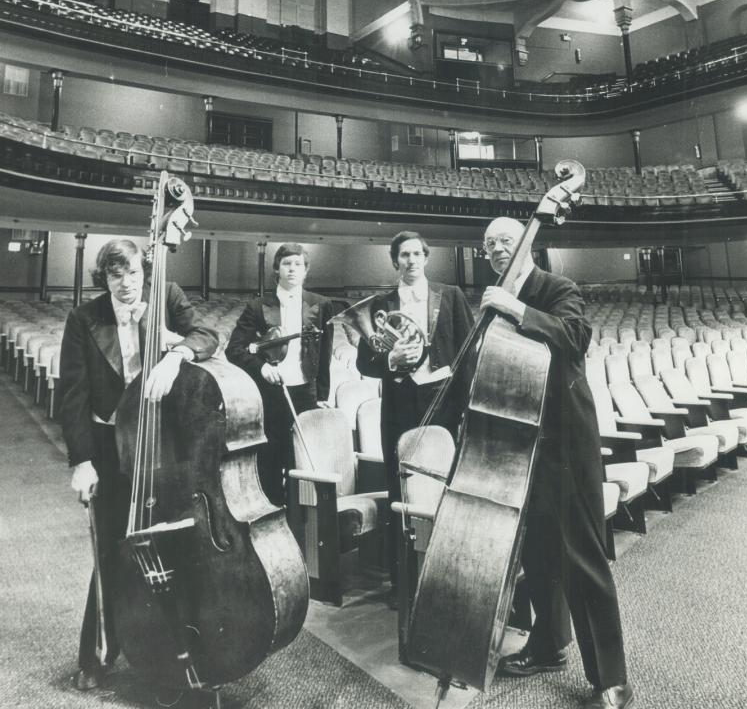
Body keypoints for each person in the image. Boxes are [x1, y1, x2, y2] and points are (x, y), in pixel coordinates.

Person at [481, 217, 634, 709]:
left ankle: (612, 678)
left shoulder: (555, 287)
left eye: (505, 239)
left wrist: (515, 307)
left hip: (565, 443)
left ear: (529, 243)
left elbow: (574, 337)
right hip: (518, 441)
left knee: (582, 560)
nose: (497, 249)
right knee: (539, 556)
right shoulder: (487, 301)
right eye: (488, 244)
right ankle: (547, 645)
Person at [58, 237, 219, 692]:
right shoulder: (84, 318)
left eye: (131, 272)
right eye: (114, 274)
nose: (125, 283)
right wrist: (83, 461)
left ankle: (186, 643)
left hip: (164, 443)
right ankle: (98, 654)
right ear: (103, 278)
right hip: (111, 444)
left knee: (179, 542)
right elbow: (72, 395)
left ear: (144, 271)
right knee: (111, 545)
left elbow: (207, 335)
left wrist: (178, 353)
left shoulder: (166, 295)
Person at [355, 230, 473, 593]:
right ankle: (402, 581)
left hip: (443, 401)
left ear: (426, 257)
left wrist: (467, 402)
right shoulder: (381, 304)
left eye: (416, 254)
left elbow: (468, 350)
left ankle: (444, 571)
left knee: (443, 480)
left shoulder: (450, 296)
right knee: (400, 484)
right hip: (400, 403)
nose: (410, 261)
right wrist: (390, 359)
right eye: (403, 255)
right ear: (395, 261)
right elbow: (365, 362)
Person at [225, 243, 334, 507]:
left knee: (303, 462)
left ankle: (302, 520)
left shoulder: (321, 305)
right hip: (270, 395)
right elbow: (234, 350)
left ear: (306, 270)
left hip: (305, 394)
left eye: (298, 264)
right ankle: (274, 516)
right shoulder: (258, 306)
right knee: (271, 460)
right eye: (287, 264)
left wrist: (321, 395)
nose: (292, 269)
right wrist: (262, 367)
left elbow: (325, 353)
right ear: (277, 269)